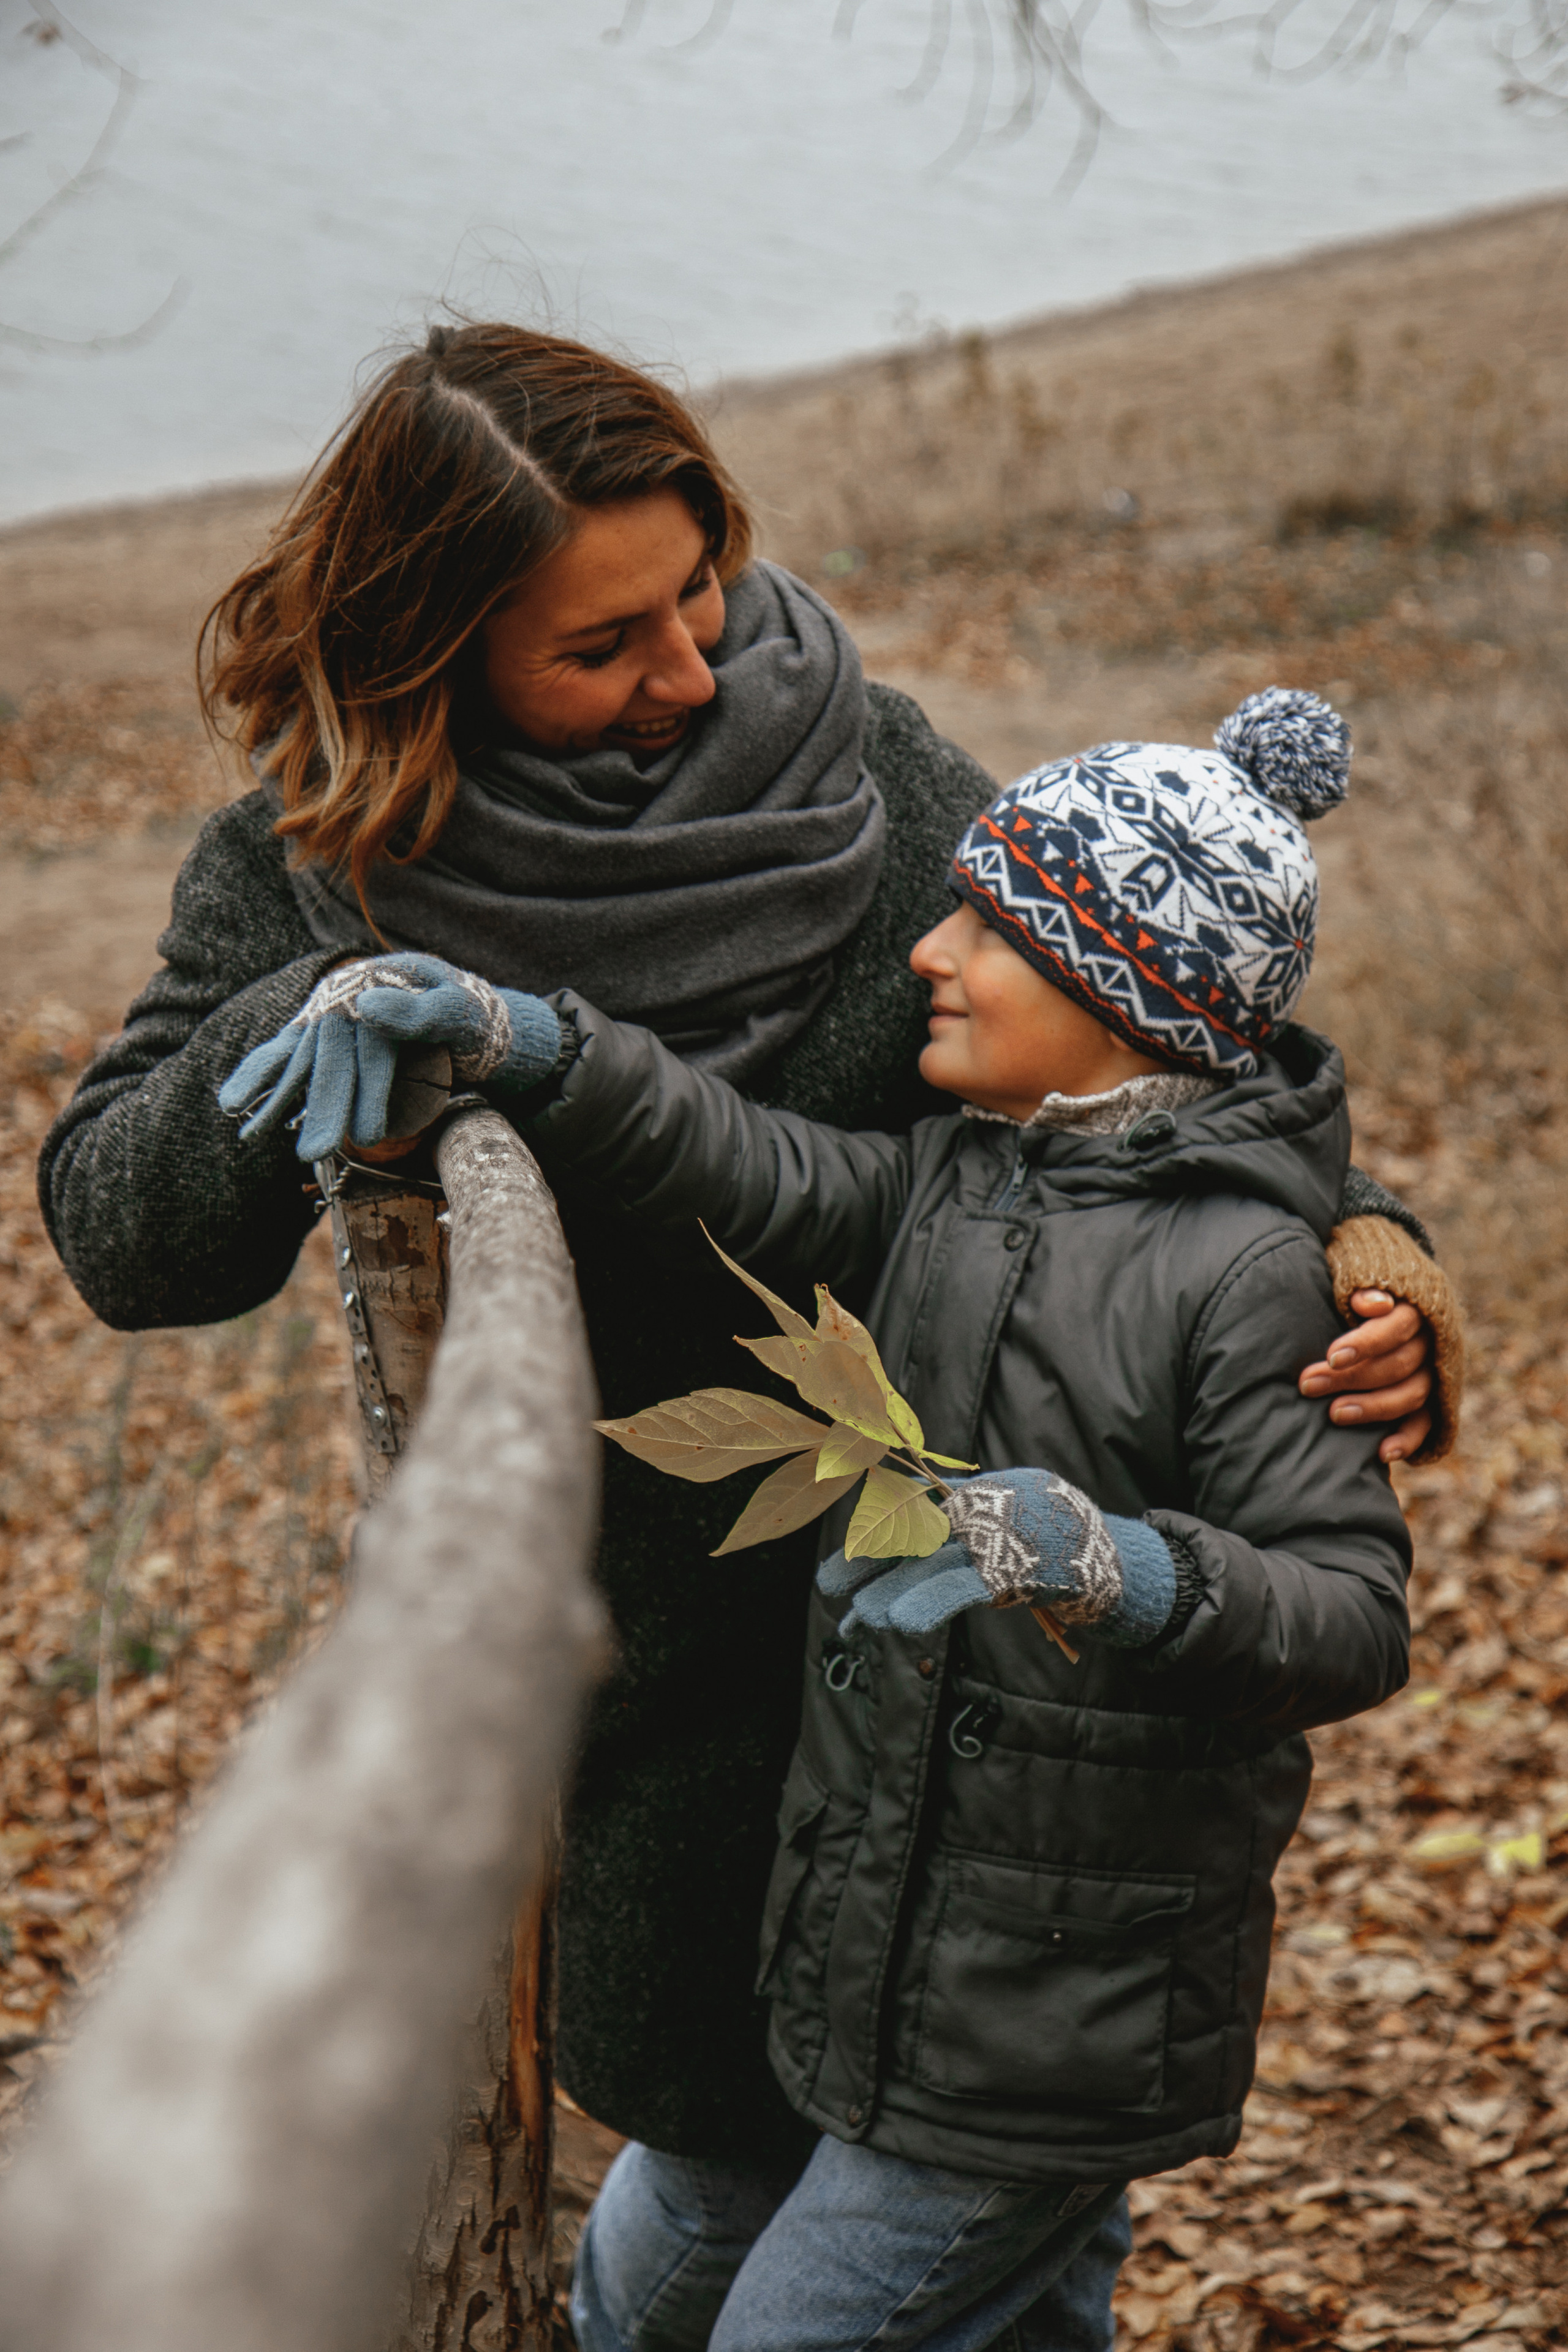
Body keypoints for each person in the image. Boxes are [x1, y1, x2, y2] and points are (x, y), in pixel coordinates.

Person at [37, 326, 1454, 2215]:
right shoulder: (318, 862)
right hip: (673, 1697)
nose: (691, 671)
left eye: (697, 592)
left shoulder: (840, 751)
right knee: (719, 2188)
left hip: (992, 1649)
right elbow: (120, 1237)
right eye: (601, 647)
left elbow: (1142, 1019)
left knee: (973, 2211)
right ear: (430, 645)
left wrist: (1370, 1235)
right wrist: (307, 1012)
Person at [316, 690, 1410, 2349]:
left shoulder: (1248, 1277)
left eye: (992, 928)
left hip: (1056, 2002)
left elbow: (1351, 1609)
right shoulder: (963, 1181)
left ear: (1128, 1000)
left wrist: (1120, 1567)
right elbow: (747, 1164)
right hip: (879, 1959)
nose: (933, 950)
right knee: (649, 2291)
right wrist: (530, 1040)